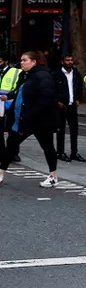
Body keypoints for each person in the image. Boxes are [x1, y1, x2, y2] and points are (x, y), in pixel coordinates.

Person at [0, 52, 60, 187]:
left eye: (24, 60)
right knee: (11, 145)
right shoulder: (25, 75)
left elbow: (46, 98)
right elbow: (19, 92)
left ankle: (53, 176)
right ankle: (1, 173)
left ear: (34, 62)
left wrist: (30, 113)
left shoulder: (44, 76)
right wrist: (8, 96)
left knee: (48, 147)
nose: (21, 62)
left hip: (39, 120)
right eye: (21, 60)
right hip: (23, 119)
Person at [53, 54, 86, 163]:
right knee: (61, 129)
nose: (70, 62)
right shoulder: (56, 74)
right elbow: (51, 89)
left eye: (71, 60)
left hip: (72, 105)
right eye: (67, 60)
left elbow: (80, 87)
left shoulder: (75, 74)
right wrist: (57, 101)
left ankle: (74, 152)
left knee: (74, 129)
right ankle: (60, 152)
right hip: (61, 106)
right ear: (62, 62)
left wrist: (78, 99)